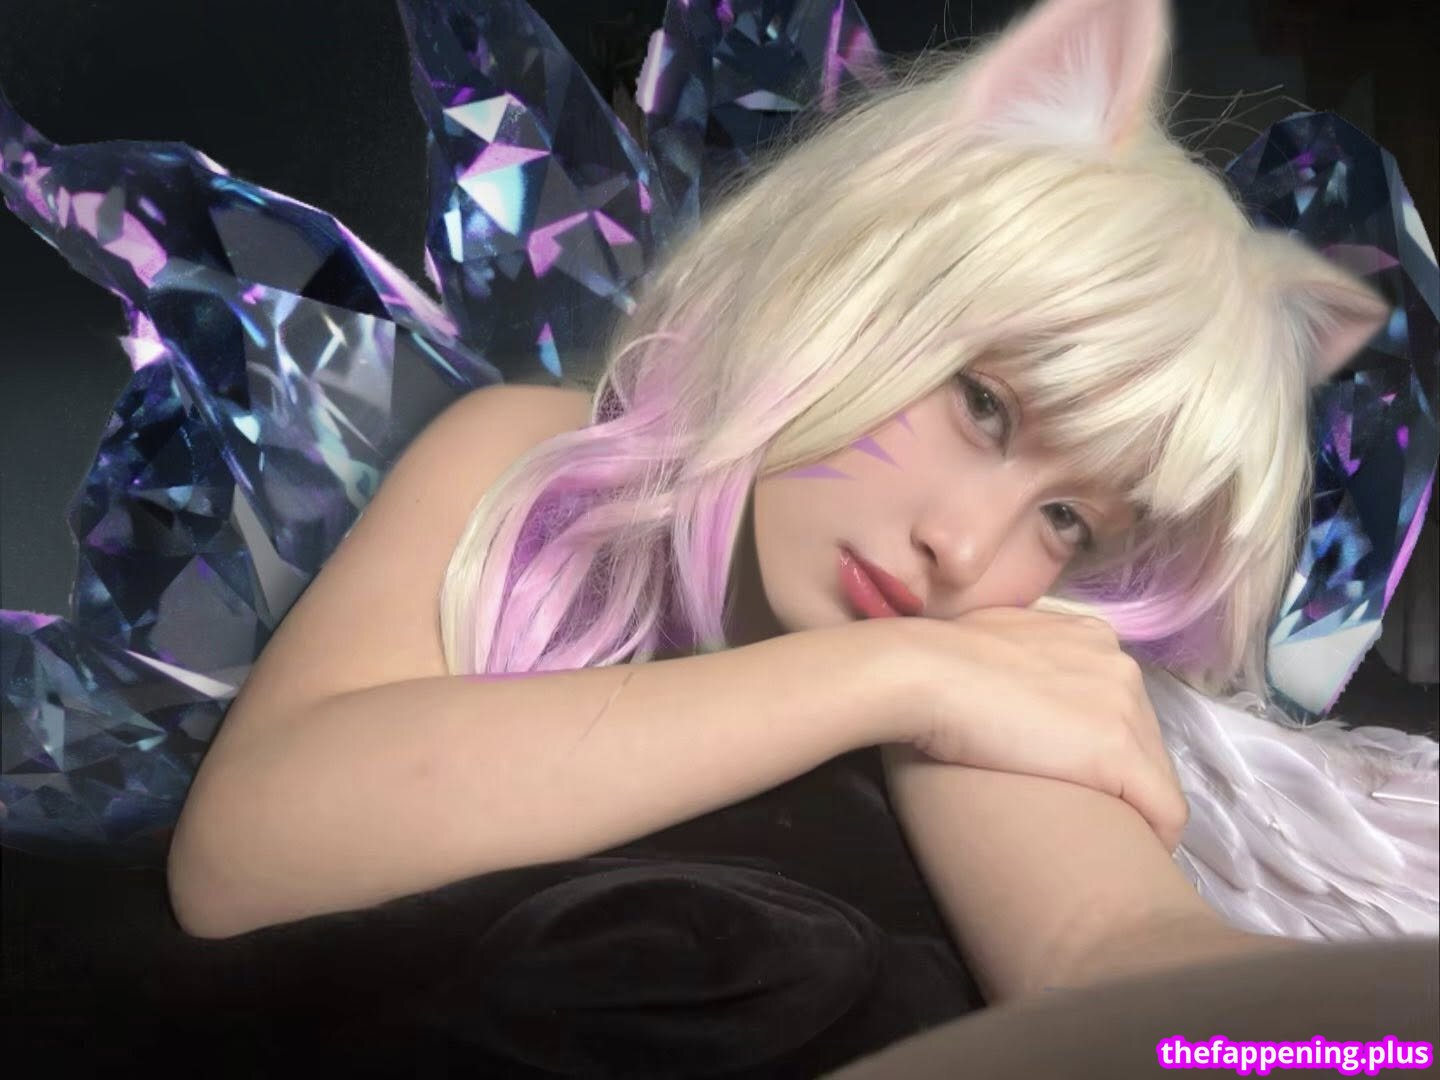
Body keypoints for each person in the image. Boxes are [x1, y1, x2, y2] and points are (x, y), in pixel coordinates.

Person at [157, 0, 1436, 1021]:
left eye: (1069, 523)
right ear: (854, 268)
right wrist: (886, 674)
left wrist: (1378, 1046)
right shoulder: (531, 463)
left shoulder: (999, 659)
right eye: (983, 405)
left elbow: (1129, 977)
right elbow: (247, 850)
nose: (964, 550)